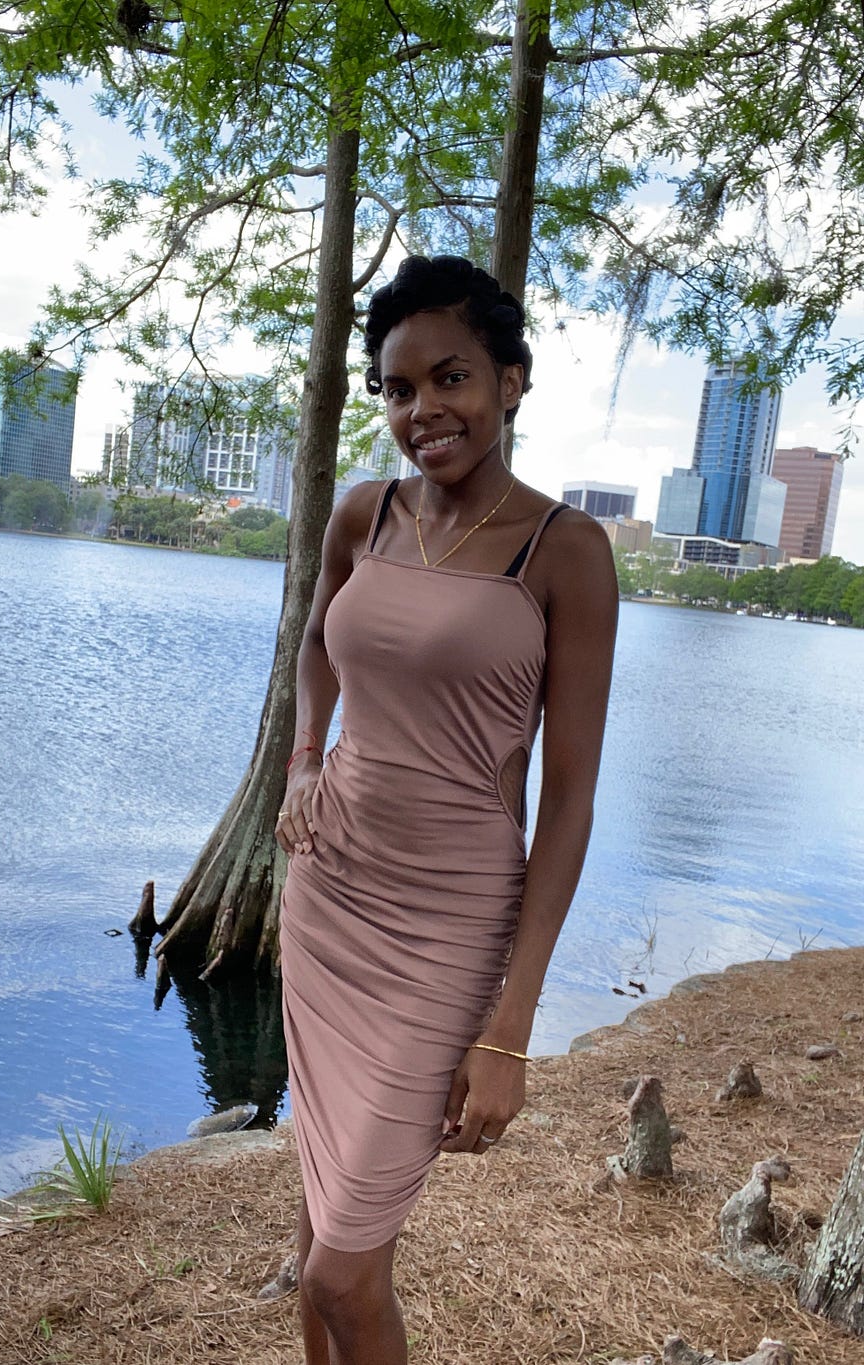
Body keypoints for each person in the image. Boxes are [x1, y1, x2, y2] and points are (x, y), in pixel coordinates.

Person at [275, 254, 617, 1365]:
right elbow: (316, 648)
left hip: (447, 925)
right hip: (327, 898)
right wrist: (302, 763)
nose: (423, 410)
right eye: (398, 388)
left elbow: (566, 802)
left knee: (343, 1269)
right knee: (317, 1210)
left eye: (452, 377)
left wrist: (507, 1029)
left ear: (512, 382)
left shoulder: (563, 552)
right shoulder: (363, 517)